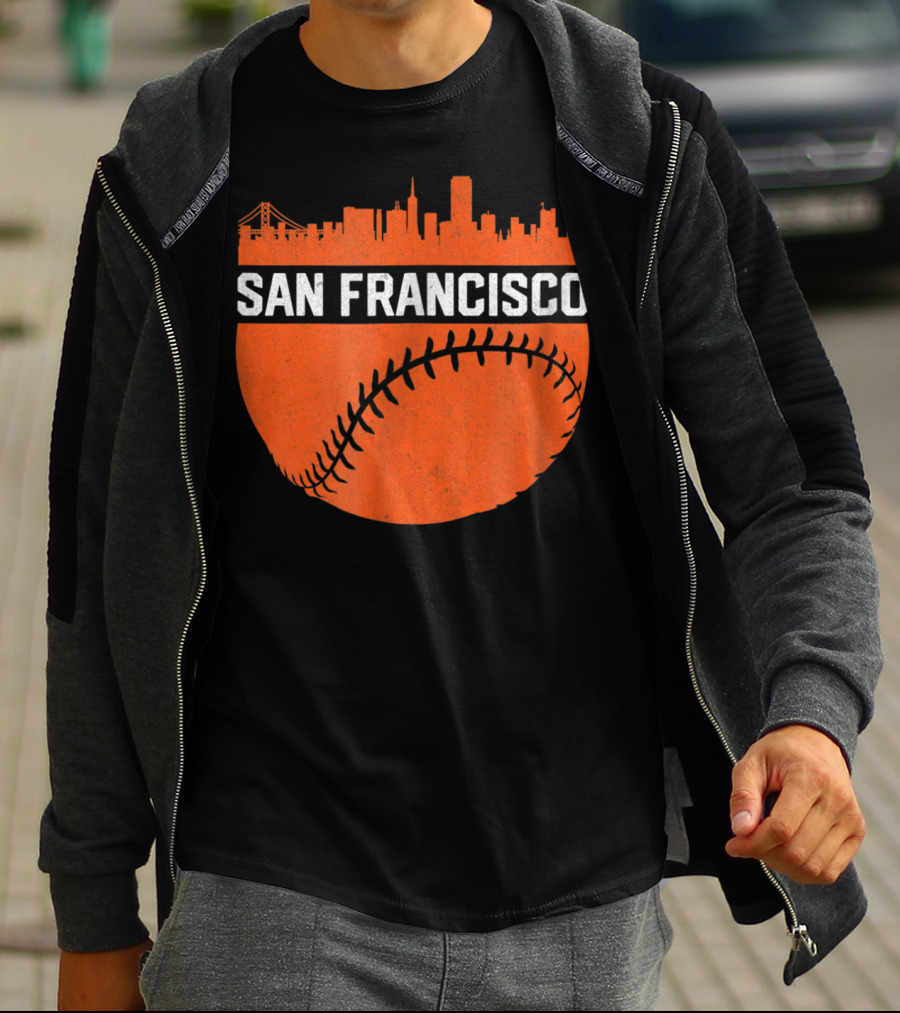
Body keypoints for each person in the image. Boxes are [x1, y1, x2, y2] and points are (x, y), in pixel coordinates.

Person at [41, 0, 881, 1009]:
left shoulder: (637, 138)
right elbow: (91, 549)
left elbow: (796, 481)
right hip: (269, 891)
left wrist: (813, 715)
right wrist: (93, 901)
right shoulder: (175, 164)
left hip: (582, 893)